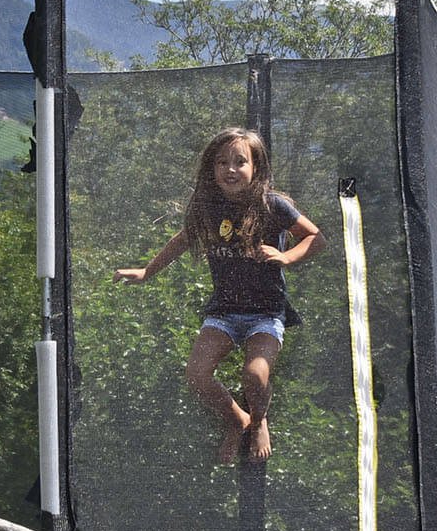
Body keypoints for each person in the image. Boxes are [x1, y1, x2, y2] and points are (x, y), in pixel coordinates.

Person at [116, 127, 325, 463]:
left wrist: (286, 257)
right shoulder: (208, 208)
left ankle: (258, 421)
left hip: (267, 313)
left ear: (256, 168)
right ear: (211, 170)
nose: (230, 169)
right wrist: (146, 272)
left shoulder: (274, 206)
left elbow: (315, 238)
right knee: (197, 377)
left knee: (255, 375)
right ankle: (238, 420)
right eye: (222, 162)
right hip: (225, 312)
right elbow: (183, 240)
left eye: (240, 162)